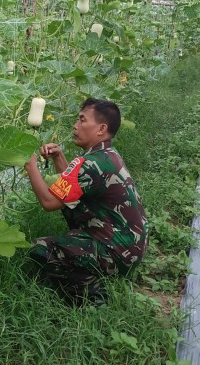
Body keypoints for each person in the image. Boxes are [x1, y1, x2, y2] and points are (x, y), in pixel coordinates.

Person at [23, 98, 148, 304]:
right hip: (130, 246)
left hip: (118, 252)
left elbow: (48, 202)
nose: (75, 125)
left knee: (41, 248)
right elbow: (70, 188)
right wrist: (58, 157)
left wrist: (30, 165)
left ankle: (92, 295)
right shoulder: (106, 155)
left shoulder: (90, 163)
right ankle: (99, 264)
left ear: (101, 129)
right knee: (72, 204)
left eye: (82, 120)